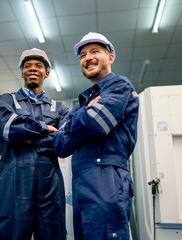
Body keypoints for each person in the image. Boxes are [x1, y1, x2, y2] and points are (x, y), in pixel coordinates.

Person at [53, 32, 139, 240]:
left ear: (110, 58)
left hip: (107, 183)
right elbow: (59, 146)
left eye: (94, 52)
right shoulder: (84, 102)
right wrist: (85, 114)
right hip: (81, 189)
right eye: (82, 55)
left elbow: (98, 122)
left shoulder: (120, 86)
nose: (87, 58)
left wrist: (69, 126)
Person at [0, 48, 69, 240]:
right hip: (14, 184)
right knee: (9, 235)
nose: (32, 69)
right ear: (22, 72)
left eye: (38, 66)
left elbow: (64, 143)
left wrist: (25, 134)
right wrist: (45, 128)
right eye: (27, 66)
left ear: (47, 73)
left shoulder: (60, 108)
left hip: (50, 186)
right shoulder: (6, 101)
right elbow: (8, 129)